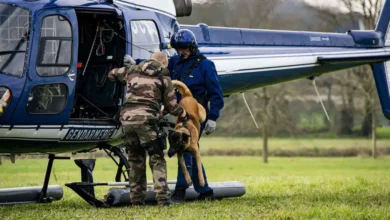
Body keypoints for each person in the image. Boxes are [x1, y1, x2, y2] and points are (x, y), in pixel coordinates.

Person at [108, 52, 188, 206]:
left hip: (127, 120)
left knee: (135, 159)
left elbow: (112, 74)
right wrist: (182, 113)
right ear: (164, 63)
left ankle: (136, 200)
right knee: (157, 158)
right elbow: (171, 106)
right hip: (147, 121)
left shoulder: (131, 70)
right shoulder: (163, 77)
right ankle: (163, 199)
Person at [168, 29, 225, 201]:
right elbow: (159, 69)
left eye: (183, 48)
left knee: (183, 146)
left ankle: (180, 191)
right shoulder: (174, 62)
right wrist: (138, 63)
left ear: (192, 47)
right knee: (192, 148)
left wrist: (213, 117)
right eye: (178, 49)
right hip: (179, 113)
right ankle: (204, 191)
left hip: (195, 114)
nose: (180, 52)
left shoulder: (205, 65)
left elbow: (216, 93)